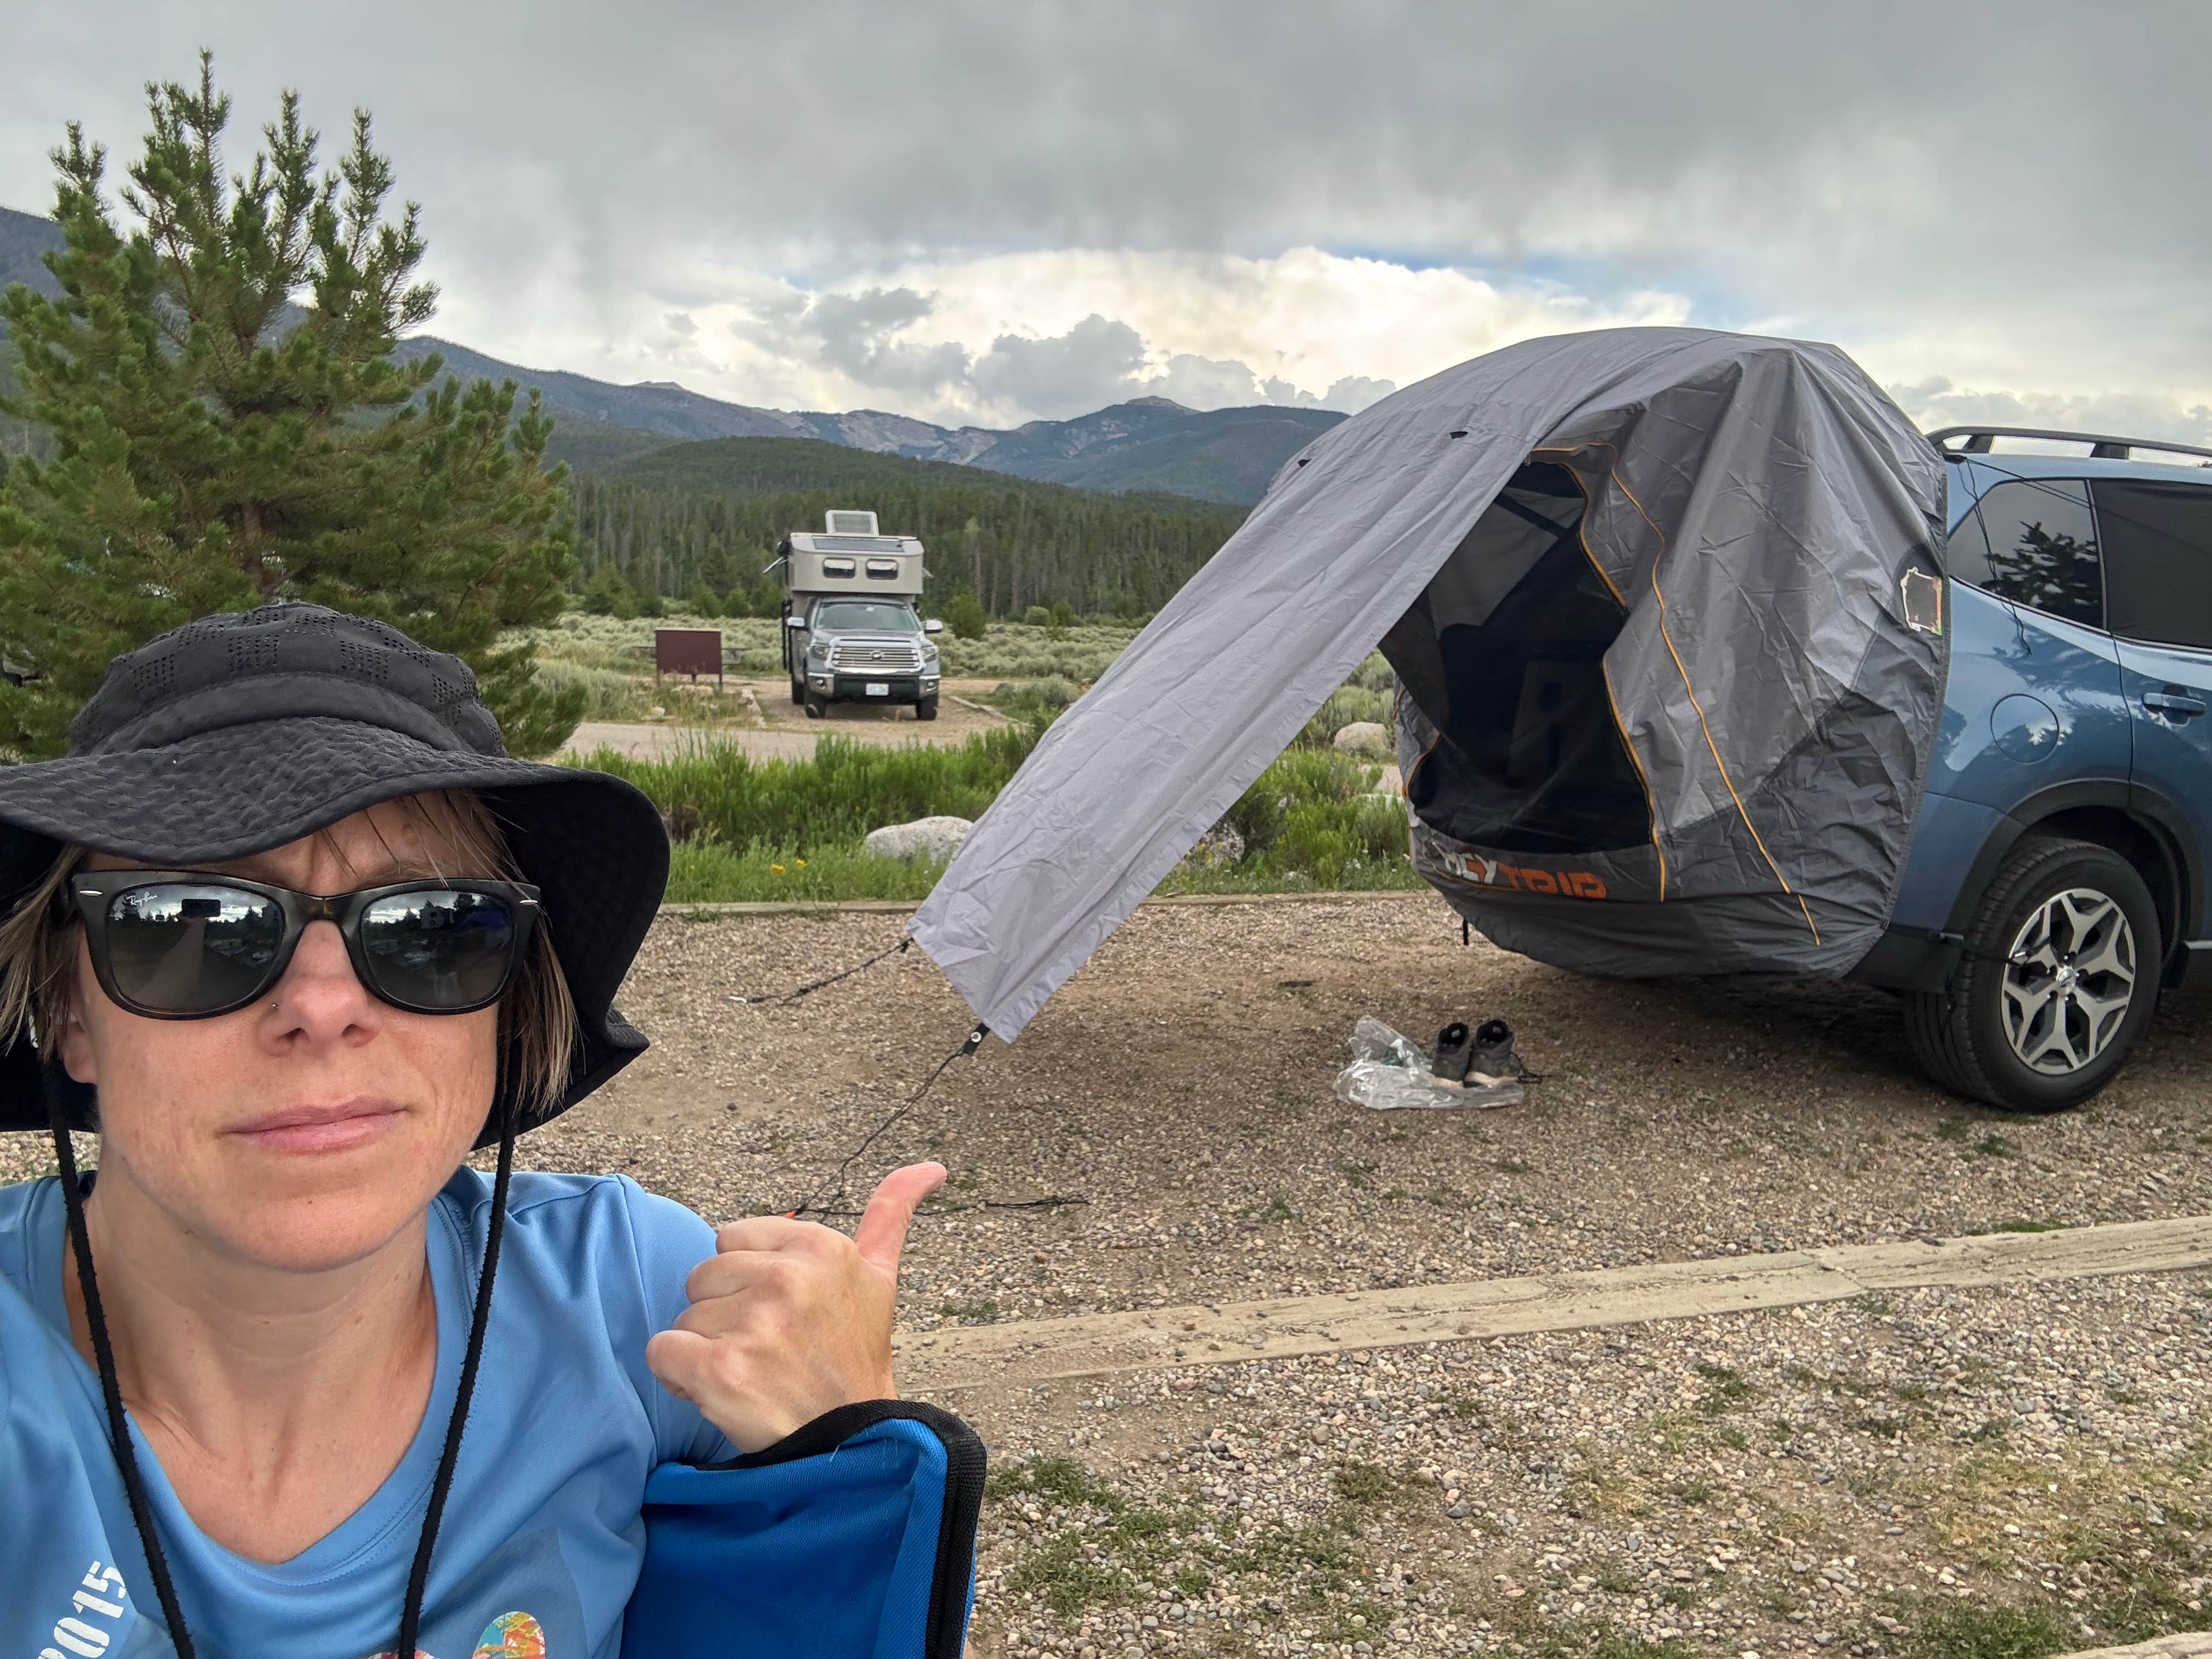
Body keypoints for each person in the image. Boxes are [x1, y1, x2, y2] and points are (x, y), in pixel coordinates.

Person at [0, 603, 949, 1656]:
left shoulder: (637, 1302)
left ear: (505, 1004)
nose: (324, 1005)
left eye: (432, 928)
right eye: (196, 926)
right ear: (68, 1010)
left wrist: (848, 1455)